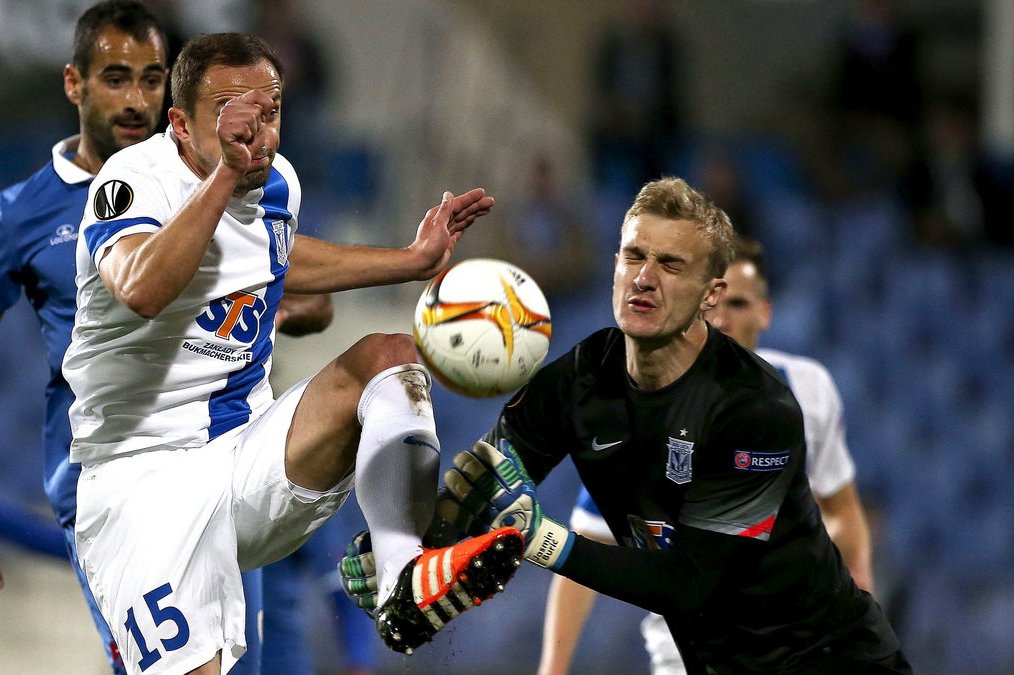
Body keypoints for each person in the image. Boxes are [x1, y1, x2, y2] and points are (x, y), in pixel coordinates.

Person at [62, 31, 521, 674]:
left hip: (247, 457)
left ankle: (400, 577)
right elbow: (140, 287)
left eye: (269, 113)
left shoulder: (277, 182)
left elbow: (276, 252)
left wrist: (409, 262)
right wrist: (225, 172)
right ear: (179, 124)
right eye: (230, 117)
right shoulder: (135, 180)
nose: (255, 134)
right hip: (141, 483)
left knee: (387, 358)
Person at [344, 178, 910, 673]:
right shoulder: (580, 378)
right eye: (632, 255)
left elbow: (689, 585)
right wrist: (408, 554)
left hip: (830, 661)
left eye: (670, 265)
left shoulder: (753, 410)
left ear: (712, 295)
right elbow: (484, 485)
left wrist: (543, 541)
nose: (644, 277)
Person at [0, 4, 297, 673]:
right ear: (75, 84)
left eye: (152, 80)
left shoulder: (211, 184)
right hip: (114, 483)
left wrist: (295, 305)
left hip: (218, 464)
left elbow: (279, 287)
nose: (136, 100)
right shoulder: (22, 215)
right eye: (116, 79)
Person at [537, 235, 877, 675]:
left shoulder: (810, 390)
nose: (723, 318)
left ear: (765, 312)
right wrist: (553, 667)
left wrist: (859, 584)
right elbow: (587, 542)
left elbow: (841, 506)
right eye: (711, 301)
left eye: (738, 303)